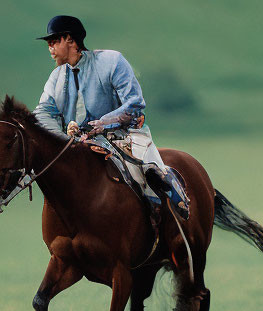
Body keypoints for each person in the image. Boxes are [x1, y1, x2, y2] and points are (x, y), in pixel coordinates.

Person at [34, 15, 190, 220]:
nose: (50, 48)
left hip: (123, 135)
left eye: (54, 41)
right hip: (80, 143)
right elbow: (44, 112)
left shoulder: (112, 61)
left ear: (70, 40)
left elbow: (134, 102)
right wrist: (58, 139)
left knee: (150, 171)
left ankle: (173, 210)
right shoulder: (56, 77)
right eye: (49, 43)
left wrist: (104, 123)